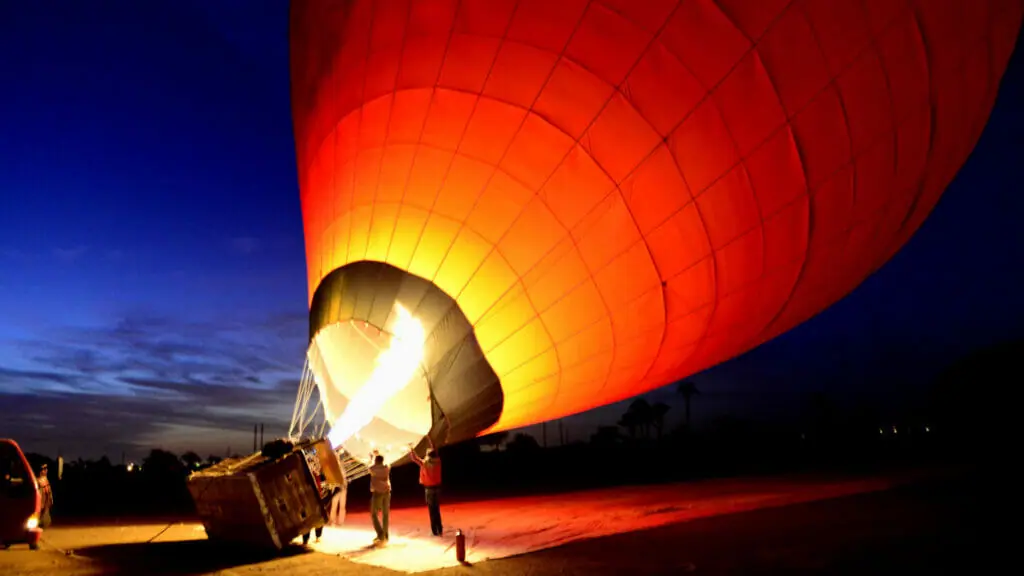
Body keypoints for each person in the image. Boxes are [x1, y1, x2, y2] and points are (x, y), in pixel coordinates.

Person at [408, 437, 443, 536]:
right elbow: (434, 448)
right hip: (437, 488)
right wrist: (430, 438)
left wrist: (411, 449)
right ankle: (439, 529)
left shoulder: (425, 463)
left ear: (428, 455)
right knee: (437, 509)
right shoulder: (438, 461)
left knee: (432, 510)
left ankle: (434, 531)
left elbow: (414, 458)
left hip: (429, 489)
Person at [367, 450, 391, 545]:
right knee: (385, 514)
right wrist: (377, 455)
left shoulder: (373, 469)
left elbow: (369, 465)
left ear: (376, 461)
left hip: (378, 493)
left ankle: (380, 534)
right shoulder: (386, 468)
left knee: (373, 514)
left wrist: (372, 456)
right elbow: (388, 463)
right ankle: (385, 535)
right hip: (387, 492)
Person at [36, 464, 53, 528]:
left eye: (46, 468)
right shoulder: (37, 480)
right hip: (41, 500)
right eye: (44, 468)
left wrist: (50, 498)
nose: (46, 470)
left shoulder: (46, 479)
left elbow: (49, 490)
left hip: (46, 499)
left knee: (45, 514)